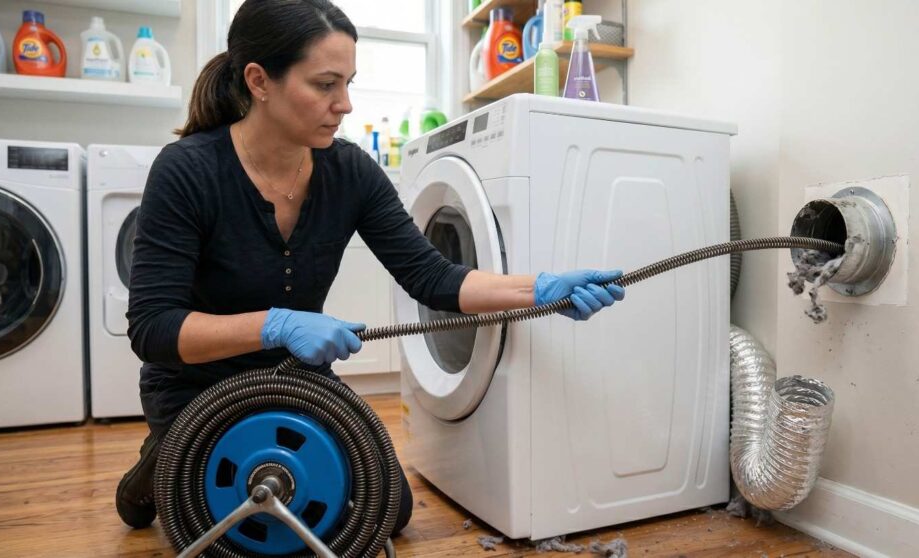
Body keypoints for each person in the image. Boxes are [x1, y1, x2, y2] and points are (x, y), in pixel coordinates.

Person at [114, 0, 625, 538]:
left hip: (295, 380)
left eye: (349, 83)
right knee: (248, 521)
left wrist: (542, 290)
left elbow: (432, 277)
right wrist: (278, 324)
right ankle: (158, 463)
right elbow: (153, 329)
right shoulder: (188, 170)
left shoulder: (350, 171)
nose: (345, 105)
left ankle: (174, 466)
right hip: (196, 387)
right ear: (259, 81)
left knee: (384, 511)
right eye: (325, 85)